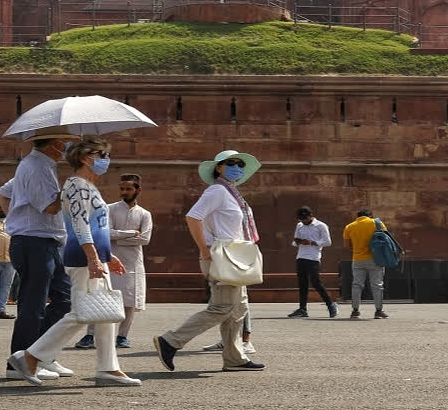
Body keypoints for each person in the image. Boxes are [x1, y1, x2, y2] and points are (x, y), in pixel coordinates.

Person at [6, 137, 140, 386]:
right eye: (101, 154)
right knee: (80, 312)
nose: (105, 160)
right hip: (82, 257)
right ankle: (31, 356)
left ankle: (108, 367)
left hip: (94, 256)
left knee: (106, 313)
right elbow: (79, 225)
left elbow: (97, 227)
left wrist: (107, 255)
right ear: (84, 157)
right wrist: (93, 257)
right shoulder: (76, 185)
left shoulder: (88, 186)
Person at [154, 149, 265, 373]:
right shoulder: (217, 191)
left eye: (240, 164)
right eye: (231, 163)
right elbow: (193, 217)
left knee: (238, 309)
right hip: (222, 256)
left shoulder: (232, 193)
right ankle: (171, 341)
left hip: (235, 256)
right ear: (219, 167)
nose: (237, 168)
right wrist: (204, 248)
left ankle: (234, 358)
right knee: (223, 307)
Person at [0, 130, 79, 382]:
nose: (66, 146)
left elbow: (4, 192)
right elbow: (50, 207)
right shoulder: (36, 167)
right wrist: (72, 189)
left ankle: (39, 353)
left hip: (45, 241)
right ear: (55, 144)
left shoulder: (41, 165)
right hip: (34, 242)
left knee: (65, 301)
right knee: (32, 306)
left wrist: (15, 217)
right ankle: (20, 362)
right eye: (64, 142)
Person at [77, 173, 153, 348]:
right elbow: (106, 233)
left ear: (138, 190)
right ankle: (90, 336)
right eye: (122, 188)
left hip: (133, 262)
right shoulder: (108, 209)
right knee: (100, 296)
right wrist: (132, 233)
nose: (124, 192)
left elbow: (145, 239)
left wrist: (118, 237)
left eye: (128, 189)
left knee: (130, 301)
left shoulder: (144, 214)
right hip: (109, 258)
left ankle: (122, 336)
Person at [287, 206, 338, 318]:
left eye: (304, 219)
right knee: (302, 284)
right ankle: (302, 309)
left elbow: (327, 242)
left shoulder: (321, 225)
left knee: (316, 282)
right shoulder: (299, 225)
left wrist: (311, 242)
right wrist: (298, 241)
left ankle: (330, 304)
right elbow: (295, 242)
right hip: (301, 256)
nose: (303, 221)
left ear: (311, 215)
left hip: (313, 257)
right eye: (301, 219)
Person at [342, 209, 387, 319]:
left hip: (357, 259)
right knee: (377, 285)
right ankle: (378, 311)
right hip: (375, 259)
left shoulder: (349, 226)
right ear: (370, 215)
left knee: (357, 285)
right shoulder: (377, 223)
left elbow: (347, 246)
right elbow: (385, 240)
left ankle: (355, 311)